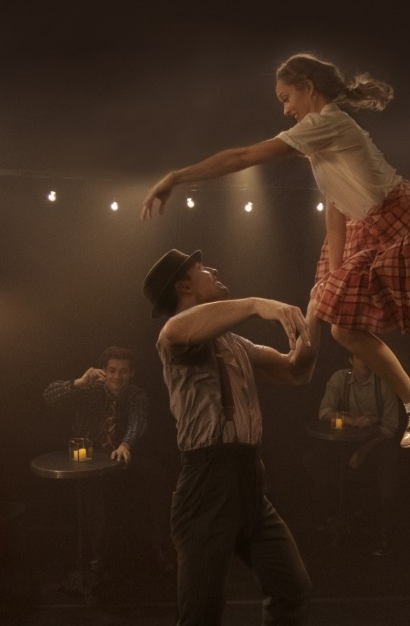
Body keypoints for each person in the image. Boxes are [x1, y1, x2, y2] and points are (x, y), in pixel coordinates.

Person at [141, 53, 410, 448]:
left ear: (308, 89)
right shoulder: (320, 142)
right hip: (365, 226)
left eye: (286, 98)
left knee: (349, 325)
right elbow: (335, 208)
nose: (285, 110)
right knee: (344, 327)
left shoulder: (326, 122)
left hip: (397, 215)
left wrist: (178, 176)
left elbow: (245, 157)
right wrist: (334, 276)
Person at [143, 248, 320, 626]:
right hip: (207, 485)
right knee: (201, 614)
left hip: (249, 481)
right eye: (203, 269)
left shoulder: (235, 344)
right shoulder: (173, 333)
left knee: (293, 589)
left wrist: (316, 313)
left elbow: (296, 371)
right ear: (184, 285)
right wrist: (258, 304)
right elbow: (177, 330)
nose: (215, 270)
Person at [43, 346, 172, 584]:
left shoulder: (136, 394)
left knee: (158, 478)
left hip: (123, 455)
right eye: (112, 370)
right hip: (90, 458)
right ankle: (96, 558)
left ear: (131, 373)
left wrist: (126, 444)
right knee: (92, 492)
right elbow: (49, 397)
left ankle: (159, 546)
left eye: (123, 371)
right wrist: (79, 382)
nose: (117, 376)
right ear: (103, 371)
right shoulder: (89, 390)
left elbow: (138, 422)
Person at [314, 354, 401, 555]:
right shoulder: (340, 378)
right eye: (361, 356)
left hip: (378, 441)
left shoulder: (383, 383)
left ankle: (385, 535)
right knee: (316, 461)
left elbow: (390, 428)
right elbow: (324, 412)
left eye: (368, 354)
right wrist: (351, 420)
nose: (367, 360)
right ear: (351, 360)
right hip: (347, 441)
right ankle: (336, 521)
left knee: (387, 478)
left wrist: (362, 452)